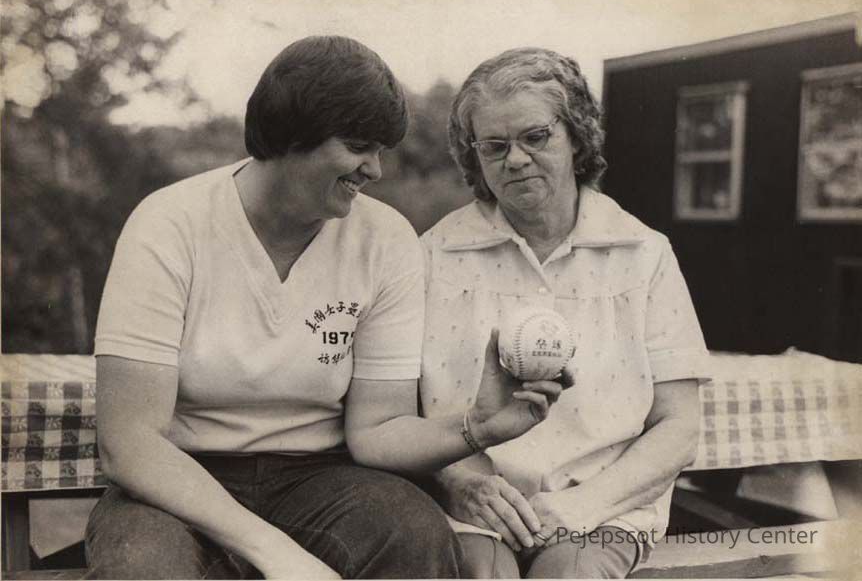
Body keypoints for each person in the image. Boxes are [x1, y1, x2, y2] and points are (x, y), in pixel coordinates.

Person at [86, 36, 567, 580]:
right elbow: (130, 443)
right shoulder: (168, 224)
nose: (374, 170)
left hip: (318, 478)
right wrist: (276, 553)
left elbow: (376, 430)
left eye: (380, 150)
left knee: (412, 532)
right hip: (178, 478)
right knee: (141, 567)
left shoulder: (384, 239)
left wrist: (476, 427)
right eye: (359, 146)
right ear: (292, 135)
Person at [420, 47, 710, 578]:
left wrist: (581, 507)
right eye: (494, 146)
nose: (515, 159)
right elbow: (404, 412)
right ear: (474, 156)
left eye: (535, 137)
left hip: (601, 509)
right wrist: (458, 483)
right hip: (472, 508)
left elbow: (680, 425)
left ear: (576, 136)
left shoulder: (643, 254)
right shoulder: (434, 255)